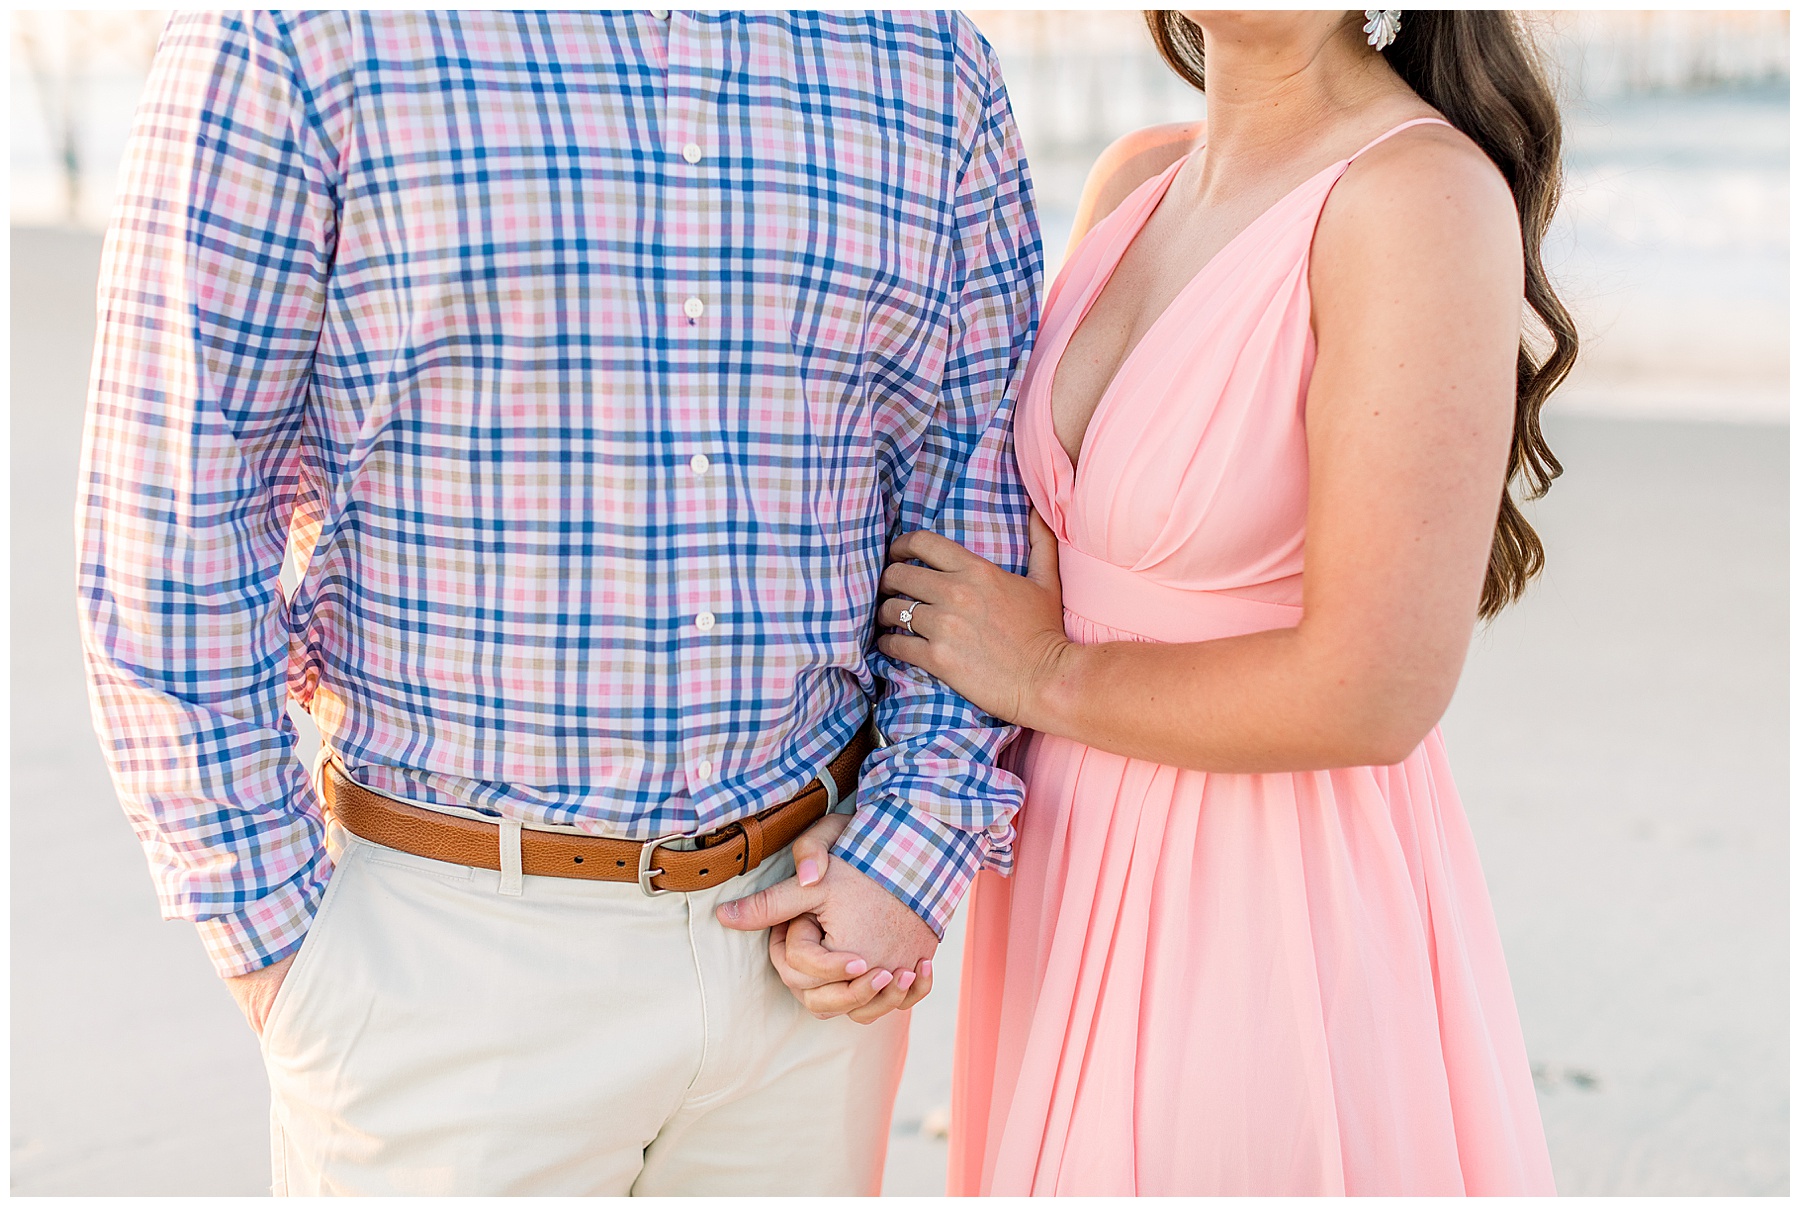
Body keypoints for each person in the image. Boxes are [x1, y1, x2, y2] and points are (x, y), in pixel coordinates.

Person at [75, 10, 1039, 1195]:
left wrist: (915, 842)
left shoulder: (925, 56)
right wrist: (282, 954)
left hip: (811, 964)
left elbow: (973, 485)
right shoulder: (292, 34)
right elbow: (172, 515)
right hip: (442, 979)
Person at [872, 9, 1576, 1195]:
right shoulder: (1136, 180)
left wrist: (1043, 675)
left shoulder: (1418, 198)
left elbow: (1374, 692)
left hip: (1261, 891)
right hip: (1068, 856)